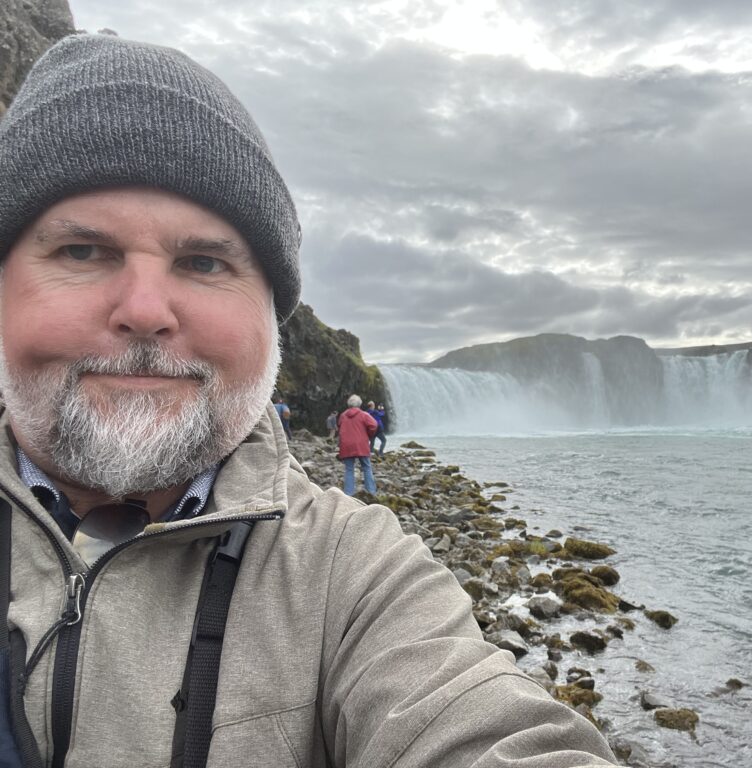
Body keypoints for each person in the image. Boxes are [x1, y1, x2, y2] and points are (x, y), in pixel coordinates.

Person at [0, 34, 616, 768]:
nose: (144, 309)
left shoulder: (354, 576)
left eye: (203, 261)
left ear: (271, 321)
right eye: (82, 251)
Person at [337, 395, 378, 495]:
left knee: (349, 469)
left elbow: (339, 425)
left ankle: (348, 493)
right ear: (359, 404)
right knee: (366, 467)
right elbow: (374, 425)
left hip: (347, 445)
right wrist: (369, 434)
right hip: (361, 444)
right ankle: (371, 492)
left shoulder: (343, 415)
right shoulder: (363, 415)